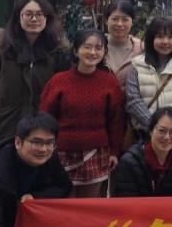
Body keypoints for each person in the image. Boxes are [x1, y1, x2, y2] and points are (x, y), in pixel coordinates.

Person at [0, 0, 68, 153]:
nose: (34, 19)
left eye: (39, 14)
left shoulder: (58, 52)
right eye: (28, 14)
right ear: (18, 17)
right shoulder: (0, 50)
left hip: (43, 133)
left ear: (47, 18)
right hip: (4, 130)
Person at [39, 29, 126, 197]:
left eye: (98, 48)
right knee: (63, 201)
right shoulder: (58, 81)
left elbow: (116, 120)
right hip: (61, 152)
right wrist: (45, 147)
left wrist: (115, 151)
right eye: (87, 47)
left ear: (104, 52)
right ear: (76, 51)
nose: (93, 52)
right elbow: (45, 117)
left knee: (89, 206)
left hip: (96, 152)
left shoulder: (109, 82)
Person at [125, 17, 172, 149]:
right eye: (159, 36)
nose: (165, 41)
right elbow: (133, 99)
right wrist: (154, 125)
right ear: (151, 38)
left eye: (170, 37)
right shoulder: (137, 65)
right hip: (146, 133)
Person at [111, 108, 172, 197]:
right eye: (162, 130)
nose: (167, 137)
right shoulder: (129, 162)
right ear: (150, 131)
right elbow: (124, 199)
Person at [103, 0, 144, 91]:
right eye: (115, 19)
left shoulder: (141, 49)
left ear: (132, 22)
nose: (119, 24)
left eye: (125, 19)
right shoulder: (96, 46)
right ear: (106, 20)